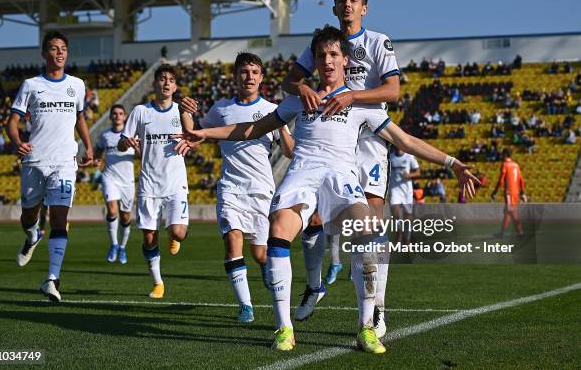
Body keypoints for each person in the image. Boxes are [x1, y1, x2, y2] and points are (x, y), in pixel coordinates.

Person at [175, 25, 479, 353]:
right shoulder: (298, 100)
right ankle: (284, 328)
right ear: (316, 63)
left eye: (334, 54)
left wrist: (453, 163)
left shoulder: (361, 104)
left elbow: (405, 140)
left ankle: (366, 328)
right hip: (302, 175)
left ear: (345, 60)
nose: (328, 60)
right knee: (279, 231)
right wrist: (206, 134)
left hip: (340, 176)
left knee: (367, 231)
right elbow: (252, 128)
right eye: (322, 55)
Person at [281, 0, 401, 334]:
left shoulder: (378, 42)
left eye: (353, 0)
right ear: (334, 9)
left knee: (371, 226)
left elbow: (393, 91)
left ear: (364, 8)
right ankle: (314, 286)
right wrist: (301, 86)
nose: (347, 5)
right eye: (341, 1)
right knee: (313, 217)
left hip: (369, 142)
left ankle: (376, 307)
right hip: (329, 142)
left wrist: (353, 97)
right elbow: (289, 82)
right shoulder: (321, 46)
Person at [199, 52, 294, 323]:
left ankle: (265, 268)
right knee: (233, 239)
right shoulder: (221, 109)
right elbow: (200, 134)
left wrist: (283, 126)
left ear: (261, 78)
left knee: (260, 253)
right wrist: (186, 118)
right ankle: (245, 306)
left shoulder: (271, 110)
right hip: (230, 186)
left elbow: (289, 152)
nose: (249, 77)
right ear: (235, 76)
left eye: (254, 72)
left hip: (261, 188)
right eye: (244, 71)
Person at [6, 31, 93, 302]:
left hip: (65, 161)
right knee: (29, 216)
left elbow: (80, 119)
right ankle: (32, 236)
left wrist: (88, 146)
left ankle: (52, 280)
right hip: (35, 160)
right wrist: (17, 141)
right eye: (54, 48)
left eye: (63, 48)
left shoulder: (77, 85)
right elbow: (12, 121)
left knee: (59, 219)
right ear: (44, 54)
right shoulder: (31, 85)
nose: (59, 53)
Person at [118, 64, 193, 299]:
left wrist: (189, 143)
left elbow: (195, 138)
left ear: (176, 86)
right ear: (155, 84)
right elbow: (122, 142)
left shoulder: (181, 112)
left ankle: (173, 234)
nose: (167, 82)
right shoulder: (141, 112)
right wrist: (127, 143)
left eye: (171, 79)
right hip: (149, 184)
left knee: (179, 233)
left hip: (175, 183)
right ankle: (158, 283)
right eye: (162, 79)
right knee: (149, 238)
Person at [94, 104, 135, 264]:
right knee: (112, 211)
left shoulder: (131, 135)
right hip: (109, 178)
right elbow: (98, 150)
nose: (117, 116)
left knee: (125, 217)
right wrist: (97, 161)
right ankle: (114, 244)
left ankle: (122, 247)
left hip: (127, 181)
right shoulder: (105, 135)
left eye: (120, 113)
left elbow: (141, 153)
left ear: (124, 117)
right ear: (111, 117)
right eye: (114, 113)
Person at [491, 148, 527, 238]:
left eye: (502, 154)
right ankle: (503, 233)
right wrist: (522, 192)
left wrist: (495, 192)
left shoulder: (505, 164)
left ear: (505, 154)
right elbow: (521, 180)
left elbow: (501, 180)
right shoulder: (516, 165)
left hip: (509, 192)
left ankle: (520, 233)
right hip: (515, 192)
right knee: (508, 211)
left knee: (511, 211)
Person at [389, 147, 420, 245]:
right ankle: (399, 231)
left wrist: (409, 175)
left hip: (407, 191)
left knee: (408, 216)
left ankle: (407, 239)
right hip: (394, 189)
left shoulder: (409, 157)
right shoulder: (390, 157)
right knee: (395, 212)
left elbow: (418, 172)